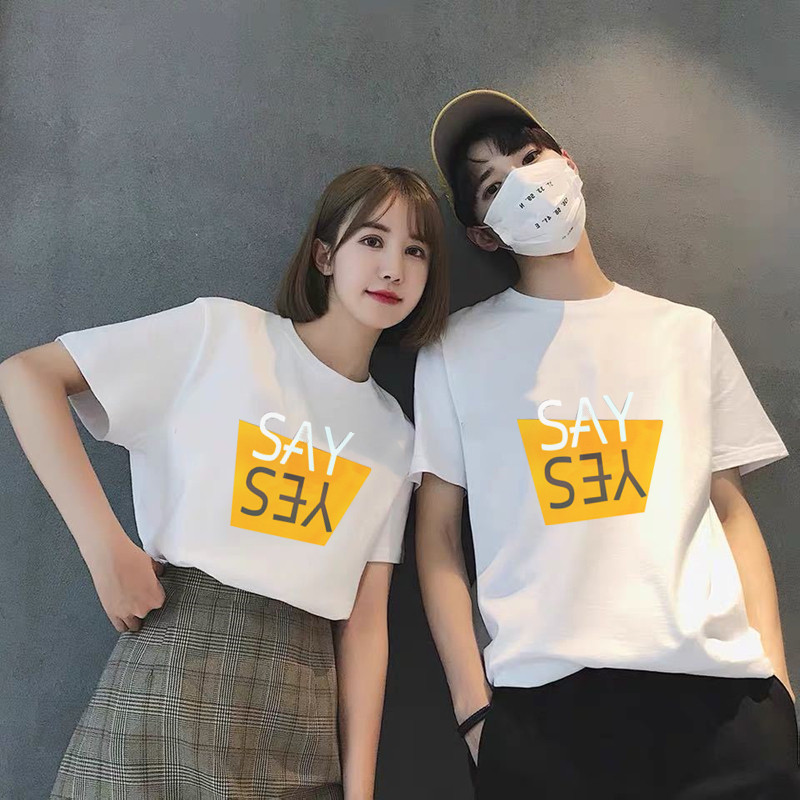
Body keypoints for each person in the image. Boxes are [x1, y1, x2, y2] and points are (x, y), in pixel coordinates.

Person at [0, 164, 449, 799]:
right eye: (372, 240)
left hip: (302, 708)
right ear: (325, 255)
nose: (393, 268)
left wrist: (360, 792)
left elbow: (366, 624)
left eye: (415, 251)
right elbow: (27, 376)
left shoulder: (393, 435)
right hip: (171, 673)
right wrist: (106, 550)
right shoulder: (224, 334)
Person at [411, 89, 799, 798]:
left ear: (569, 162)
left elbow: (731, 510)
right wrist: (474, 712)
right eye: (493, 186)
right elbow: (436, 535)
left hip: (723, 703)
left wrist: (779, 681)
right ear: (483, 235)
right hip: (546, 716)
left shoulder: (686, 333)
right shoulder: (455, 349)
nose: (525, 184)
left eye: (531, 157)